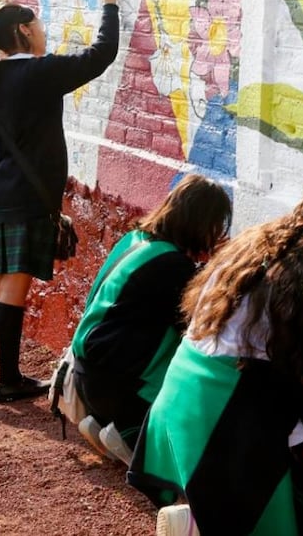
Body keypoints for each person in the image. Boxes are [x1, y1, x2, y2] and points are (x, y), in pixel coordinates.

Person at [128, 164, 303, 536]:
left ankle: (205, 516)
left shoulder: (265, 242)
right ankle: (209, 519)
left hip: (183, 405)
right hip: (226, 426)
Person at [0, 0, 120, 408]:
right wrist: (110, 5)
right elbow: (99, 56)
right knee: (12, 291)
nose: (44, 31)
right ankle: (8, 380)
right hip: (27, 199)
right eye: (40, 23)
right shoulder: (36, 72)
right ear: (25, 30)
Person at [69, 173, 232, 463]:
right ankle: (137, 438)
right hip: (118, 390)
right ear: (200, 224)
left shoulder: (136, 239)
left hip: (85, 377)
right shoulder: (173, 266)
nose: (217, 235)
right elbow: (199, 328)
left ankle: (113, 424)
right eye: (215, 227)